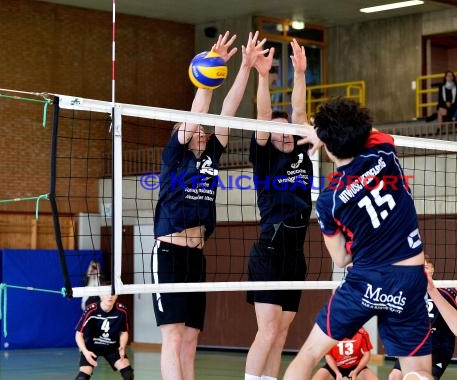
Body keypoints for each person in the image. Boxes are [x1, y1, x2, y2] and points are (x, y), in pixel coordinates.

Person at [283, 98, 433, 380]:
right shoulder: (384, 152)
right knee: (418, 372)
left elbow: (340, 258)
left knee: (308, 356)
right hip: (410, 279)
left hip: (365, 281)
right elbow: (367, 130)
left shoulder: (330, 201)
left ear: (326, 145)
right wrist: (324, 132)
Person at [152, 31, 267, 380]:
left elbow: (228, 111)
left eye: (203, 129)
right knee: (172, 336)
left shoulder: (211, 155)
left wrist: (244, 67)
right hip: (170, 253)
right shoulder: (175, 156)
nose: (201, 129)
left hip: (196, 256)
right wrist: (212, 67)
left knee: (190, 338)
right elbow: (199, 108)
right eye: (194, 128)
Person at [244, 39, 313, 380]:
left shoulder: (301, 152)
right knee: (268, 331)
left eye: (288, 129)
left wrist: (300, 73)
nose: (284, 133)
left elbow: (299, 114)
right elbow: (262, 116)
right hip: (270, 250)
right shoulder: (265, 158)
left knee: (281, 334)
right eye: (277, 129)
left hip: (295, 255)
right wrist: (263, 76)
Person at [389, 256, 457, 380]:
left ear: (432, 270)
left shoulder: (445, 292)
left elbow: (456, 321)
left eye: (426, 267)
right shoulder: (409, 292)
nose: (423, 271)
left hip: (437, 347)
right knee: (395, 376)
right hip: (413, 345)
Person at [74, 293, 133, 380]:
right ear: (101, 296)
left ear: (117, 296)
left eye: (113, 294)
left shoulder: (122, 310)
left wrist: (122, 347)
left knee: (128, 374)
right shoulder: (91, 310)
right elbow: (78, 334)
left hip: (112, 347)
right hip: (91, 347)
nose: (110, 297)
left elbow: (124, 332)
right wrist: (85, 351)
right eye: (106, 294)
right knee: (82, 377)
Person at [311, 328, 378, 380]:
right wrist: (336, 372)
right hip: (335, 365)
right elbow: (328, 355)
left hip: (355, 366)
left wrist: (356, 370)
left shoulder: (362, 332)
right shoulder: (329, 332)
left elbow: (367, 354)